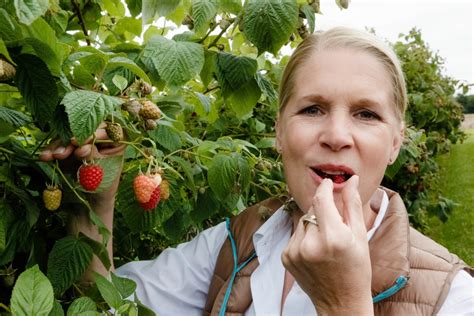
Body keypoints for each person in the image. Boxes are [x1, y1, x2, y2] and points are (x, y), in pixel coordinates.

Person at [40, 27, 474, 315]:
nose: (337, 135)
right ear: (280, 134)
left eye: (366, 114)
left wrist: (344, 302)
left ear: (396, 142)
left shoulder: (450, 297)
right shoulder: (239, 243)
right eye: (312, 109)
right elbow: (108, 304)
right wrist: (94, 204)